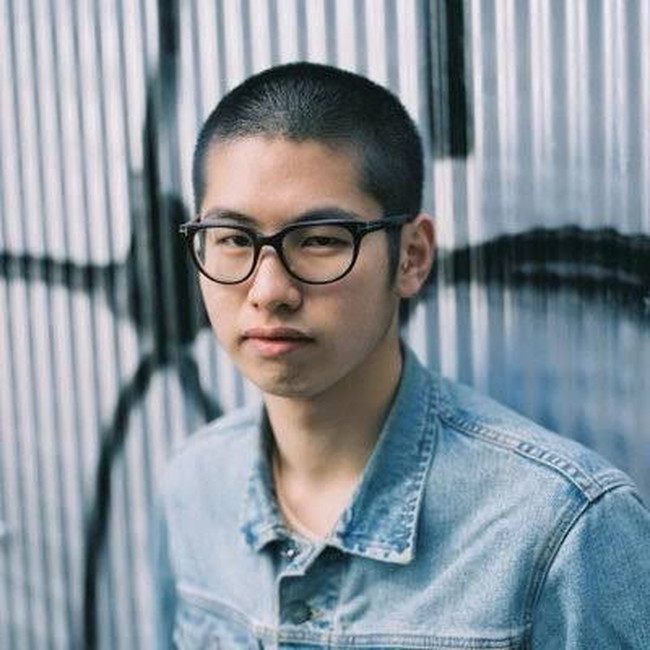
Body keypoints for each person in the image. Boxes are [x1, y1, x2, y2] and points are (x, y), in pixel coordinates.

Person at [155, 62, 650, 648]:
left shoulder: (561, 531)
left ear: (412, 256)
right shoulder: (194, 483)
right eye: (234, 239)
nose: (268, 291)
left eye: (321, 240)